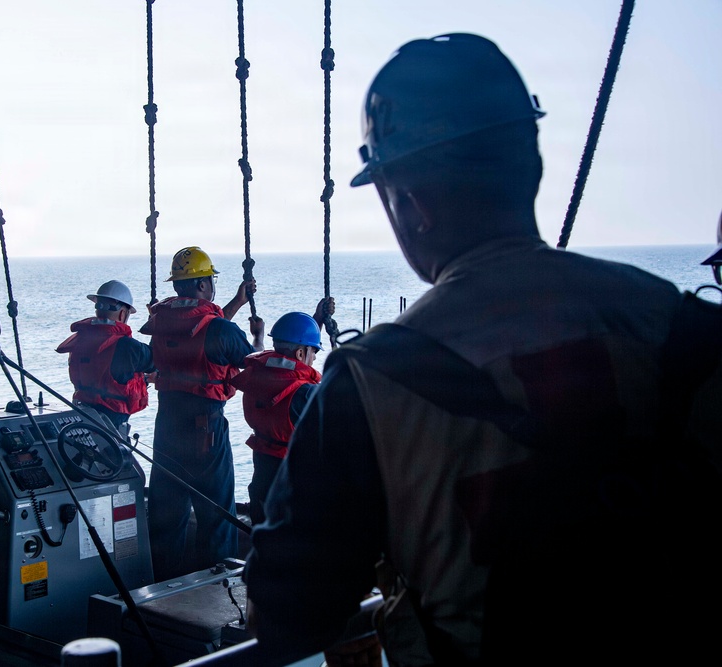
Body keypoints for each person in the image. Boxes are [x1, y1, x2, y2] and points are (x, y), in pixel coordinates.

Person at [243, 33, 722, 665]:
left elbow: (288, 615)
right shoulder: (687, 327)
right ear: (534, 164)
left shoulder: (369, 383)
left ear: (409, 202)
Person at [140, 246, 265, 581]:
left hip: (166, 428)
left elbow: (198, 331)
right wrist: (257, 337)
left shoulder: (159, 323)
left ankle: (160, 589)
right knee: (217, 514)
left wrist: (237, 302)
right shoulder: (222, 331)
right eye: (210, 281)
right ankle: (217, 589)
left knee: (168, 514)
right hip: (205, 430)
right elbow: (256, 368)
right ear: (202, 286)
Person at [230, 299, 334, 524]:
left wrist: (315, 322)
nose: (314, 358)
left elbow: (287, 363)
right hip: (295, 485)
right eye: (313, 352)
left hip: (263, 479)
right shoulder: (306, 394)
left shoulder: (256, 375)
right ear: (300, 354)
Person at [56, 280, 154, 430]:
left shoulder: (80, 338)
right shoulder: (129, 347)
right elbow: (159, 359)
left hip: (83, 414)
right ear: (123, 313)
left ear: (97, 310)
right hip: (112, 423)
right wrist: (155, 323)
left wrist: (144, 379)